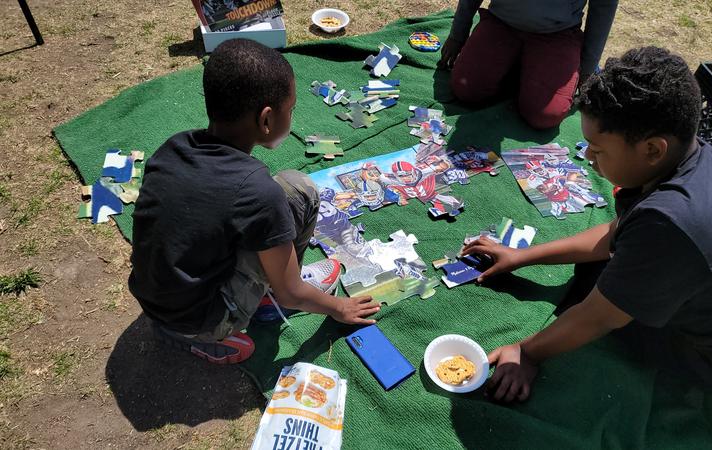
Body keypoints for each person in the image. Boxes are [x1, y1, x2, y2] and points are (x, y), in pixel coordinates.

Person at [462, 46, 712, 446]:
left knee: (617, 315)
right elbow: (618, 233)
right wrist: (523, 256)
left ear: (653, 149)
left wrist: (528, 352)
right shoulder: (694, 156)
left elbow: (599, 317)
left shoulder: (673, 221)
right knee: (600, 273)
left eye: (598, 149)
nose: (587, 156)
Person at [128, 39, 380, 365]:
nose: (292, 116)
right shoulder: (261, 194)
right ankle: (227, 324)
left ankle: (197, 320)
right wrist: (340, 308)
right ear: (266, 120)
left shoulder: (173, 147)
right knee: (299, 189)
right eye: (290, 110)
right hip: (201, 319)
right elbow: (292, 292)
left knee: (277, 201)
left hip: (152, 296)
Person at [438, 0, 618, 129]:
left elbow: (604, 5)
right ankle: (521, 68)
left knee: (546, 115)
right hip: (501, 23)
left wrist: (587, 68)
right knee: (467, 88)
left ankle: (527, 72)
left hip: (557, 34)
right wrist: (457, 34)